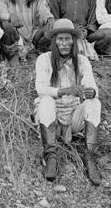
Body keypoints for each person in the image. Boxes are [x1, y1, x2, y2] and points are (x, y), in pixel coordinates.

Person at [35, 18, 102, 186]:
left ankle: (90, 157)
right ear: (54, 41)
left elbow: (92, 87)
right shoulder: (44, 59)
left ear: (73, 41)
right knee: (45, 100)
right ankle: (51, 155)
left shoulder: (82, 61)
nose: (64, 43)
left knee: (94, 103)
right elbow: (40, 88)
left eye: (67, 39)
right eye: (60, 39)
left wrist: (89, 91)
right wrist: (63, 91)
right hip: (52, 118)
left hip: (73, 117)